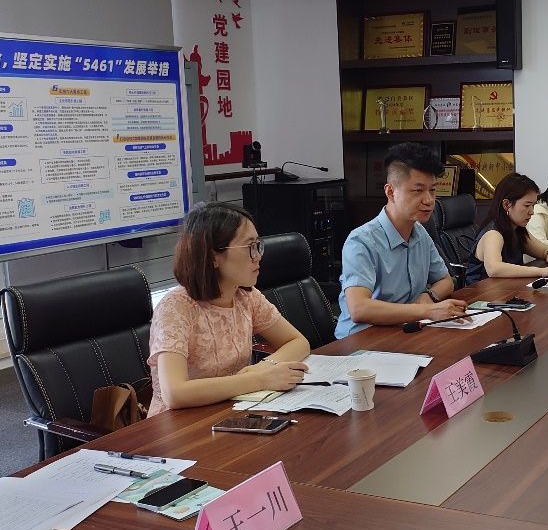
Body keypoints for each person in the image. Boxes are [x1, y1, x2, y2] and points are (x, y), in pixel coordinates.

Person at [147, 202, 310, 416]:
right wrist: (260, 379)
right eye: (249, 247)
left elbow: (298, 342)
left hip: (230, 409)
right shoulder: (176, 307)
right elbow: (175, 393)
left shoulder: (245, 296)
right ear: (213, 256)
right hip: (178, 423)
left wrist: (264, 366)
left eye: (258, 245)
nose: (258, 255)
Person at [335, 143, 466, 338]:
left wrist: (429, 295)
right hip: (362, 340)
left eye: (432, 190)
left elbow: (446, 281)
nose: (429, 200)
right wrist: (426, 310)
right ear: (390, 192)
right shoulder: (361, 241)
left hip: (403, 332)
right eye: (417, 191)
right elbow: (359, 309)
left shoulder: (420, 233)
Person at [465, 173, 548, 285]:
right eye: (527, 205)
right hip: (481, 292)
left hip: (505, 289)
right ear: (506, 205)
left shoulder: (517, 230)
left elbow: (543, 251)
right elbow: (494, 269)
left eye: (533, 205)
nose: (532, 212)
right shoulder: (493, 234)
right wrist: (542, 271)